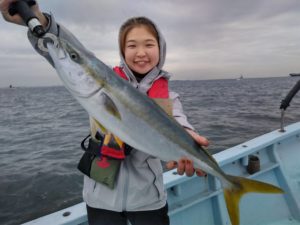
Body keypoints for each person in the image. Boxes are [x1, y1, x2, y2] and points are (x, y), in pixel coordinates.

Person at [0, 1, 209, 225]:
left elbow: (178, 121)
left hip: (149, 199)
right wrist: (39, 20)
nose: (140, 52)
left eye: (149, 44)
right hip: (100, 199)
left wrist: (189, 135)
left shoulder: (169, 98)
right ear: (122, 51)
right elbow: (73, 54)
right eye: (131, 46)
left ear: (161, 49)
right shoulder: (107, 79)